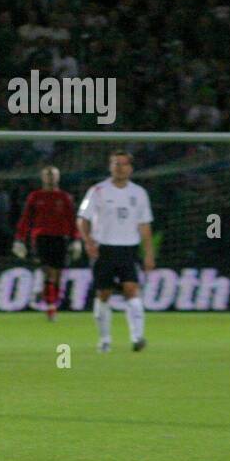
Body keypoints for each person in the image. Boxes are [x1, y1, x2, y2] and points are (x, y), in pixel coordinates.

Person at [78, 151, 154, 352]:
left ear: (131, 168)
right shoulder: (97, 191)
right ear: (110, 167)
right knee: (104, 294)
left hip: (129, 249)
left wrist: (148, 254)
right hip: (104, 249)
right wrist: (87, 241)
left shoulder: (139, 193)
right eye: (115, 164)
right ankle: (104, 340)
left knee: (132, 290)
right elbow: (82, 218)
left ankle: (137, 337)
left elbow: (144, 226)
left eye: (123, 164)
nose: (119, 167)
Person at [13, 166, 81, 321]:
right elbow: (26, 219)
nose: (50, 178)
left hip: (61, 238)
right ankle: (51, 307)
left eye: (53, 175)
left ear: (58, 177)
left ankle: (52, 302)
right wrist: (19, 239)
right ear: (43, 178)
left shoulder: (64, 197)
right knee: (48, 272)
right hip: (41, 238)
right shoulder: (35, 197)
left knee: (57, 274)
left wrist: (76, 239)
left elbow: (72, 220)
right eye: (47, 175)